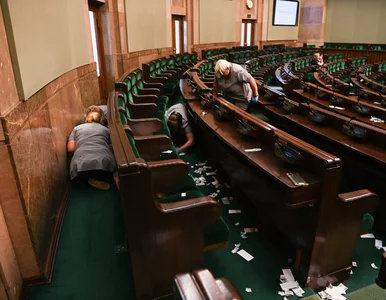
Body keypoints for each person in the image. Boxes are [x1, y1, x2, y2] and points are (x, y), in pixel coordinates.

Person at [67, 109, 118, 190]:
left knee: (81, 176)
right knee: (110, 168)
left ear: (86, 119)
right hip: (104, 162)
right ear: (100, 120)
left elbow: (70, 149)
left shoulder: (77, 128)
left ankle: (89, 180)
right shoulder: (106, 130)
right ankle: (114, 175)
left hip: (80, 165)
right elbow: (111, 149)